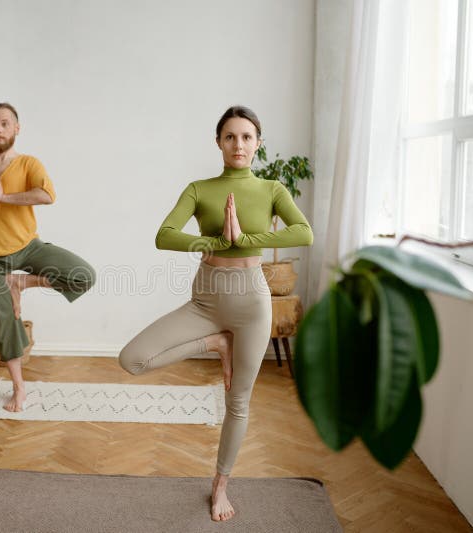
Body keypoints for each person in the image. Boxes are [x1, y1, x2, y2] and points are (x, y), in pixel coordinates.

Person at [118, 105, 313, 522]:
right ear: (218, 142)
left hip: (252, 304)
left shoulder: (272, 188)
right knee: (131, 359)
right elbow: (163, 236)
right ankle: (215, 342)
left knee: (238, 402)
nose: (238, 144)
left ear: (258, 143)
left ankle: (220, 486)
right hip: (206, 301)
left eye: (246, 137)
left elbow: (304, 232)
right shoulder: (200, 188)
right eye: (230, 136)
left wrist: (246, 238)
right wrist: (217, 245)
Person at [0, 102, 95, 412]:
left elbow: (47, 194)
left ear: (16, 128)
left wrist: (4, 198)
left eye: (5, 123)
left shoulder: (28, 163)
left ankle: (21, 282)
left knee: (83, 275)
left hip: (28, 247)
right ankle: (19, 389)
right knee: (4, 321)